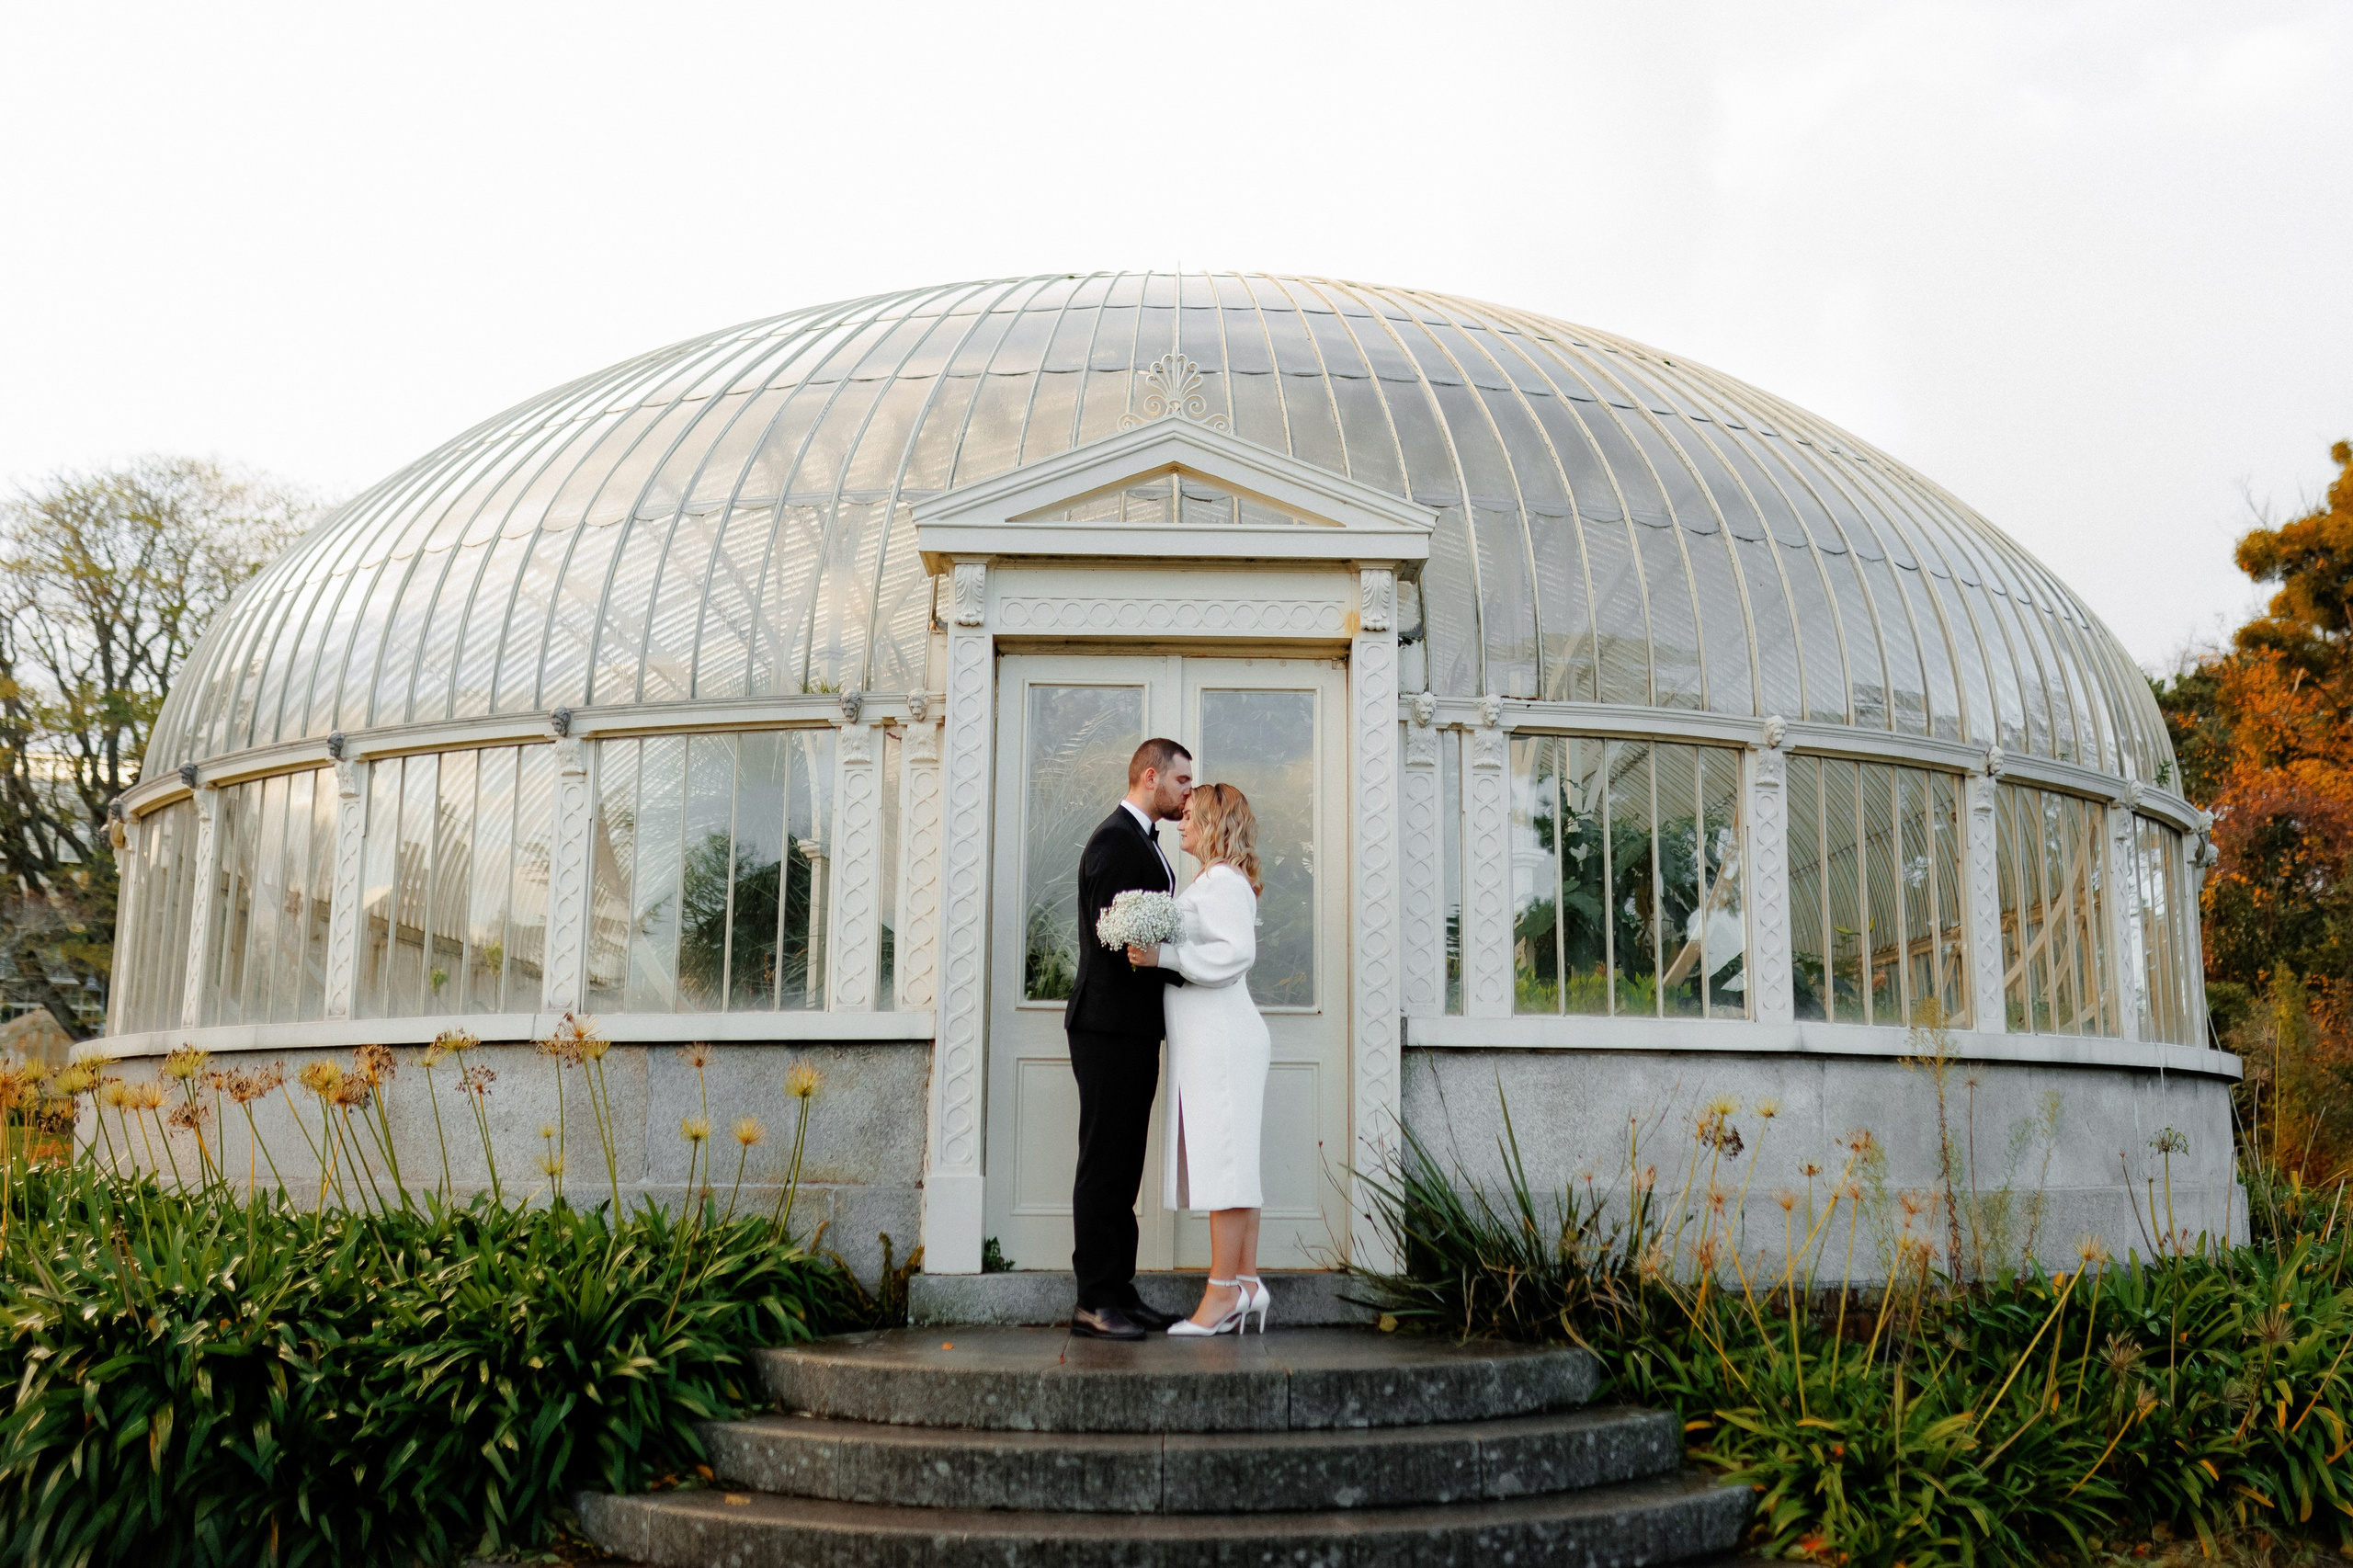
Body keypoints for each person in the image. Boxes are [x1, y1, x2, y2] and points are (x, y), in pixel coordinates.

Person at [1128, 781, 1272, 1336]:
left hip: (1225, 1040)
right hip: (1215, 1039)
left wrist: (1162, 955)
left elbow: (1235, 955)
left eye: (1189, 816)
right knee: (1233, 1162)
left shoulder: (1224, 883)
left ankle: (1219, 1296)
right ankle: (1247, 1283)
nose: (1180, 823)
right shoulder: (1214, 881)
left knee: (1225, 1165)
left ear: (1213, 823)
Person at [1063, 737, 1192, 1340]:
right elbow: (1115, 939)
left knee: (1125, 1163)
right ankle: (1094, 1299)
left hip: (1133, 1028)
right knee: (1104, 1164)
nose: (1188, 792)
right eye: (1182, 781)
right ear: (1150, 775)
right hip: (1108, 1026)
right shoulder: (1116, 840)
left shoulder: (1141, 839)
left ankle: (1121, 1289)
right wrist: (1181, 962)